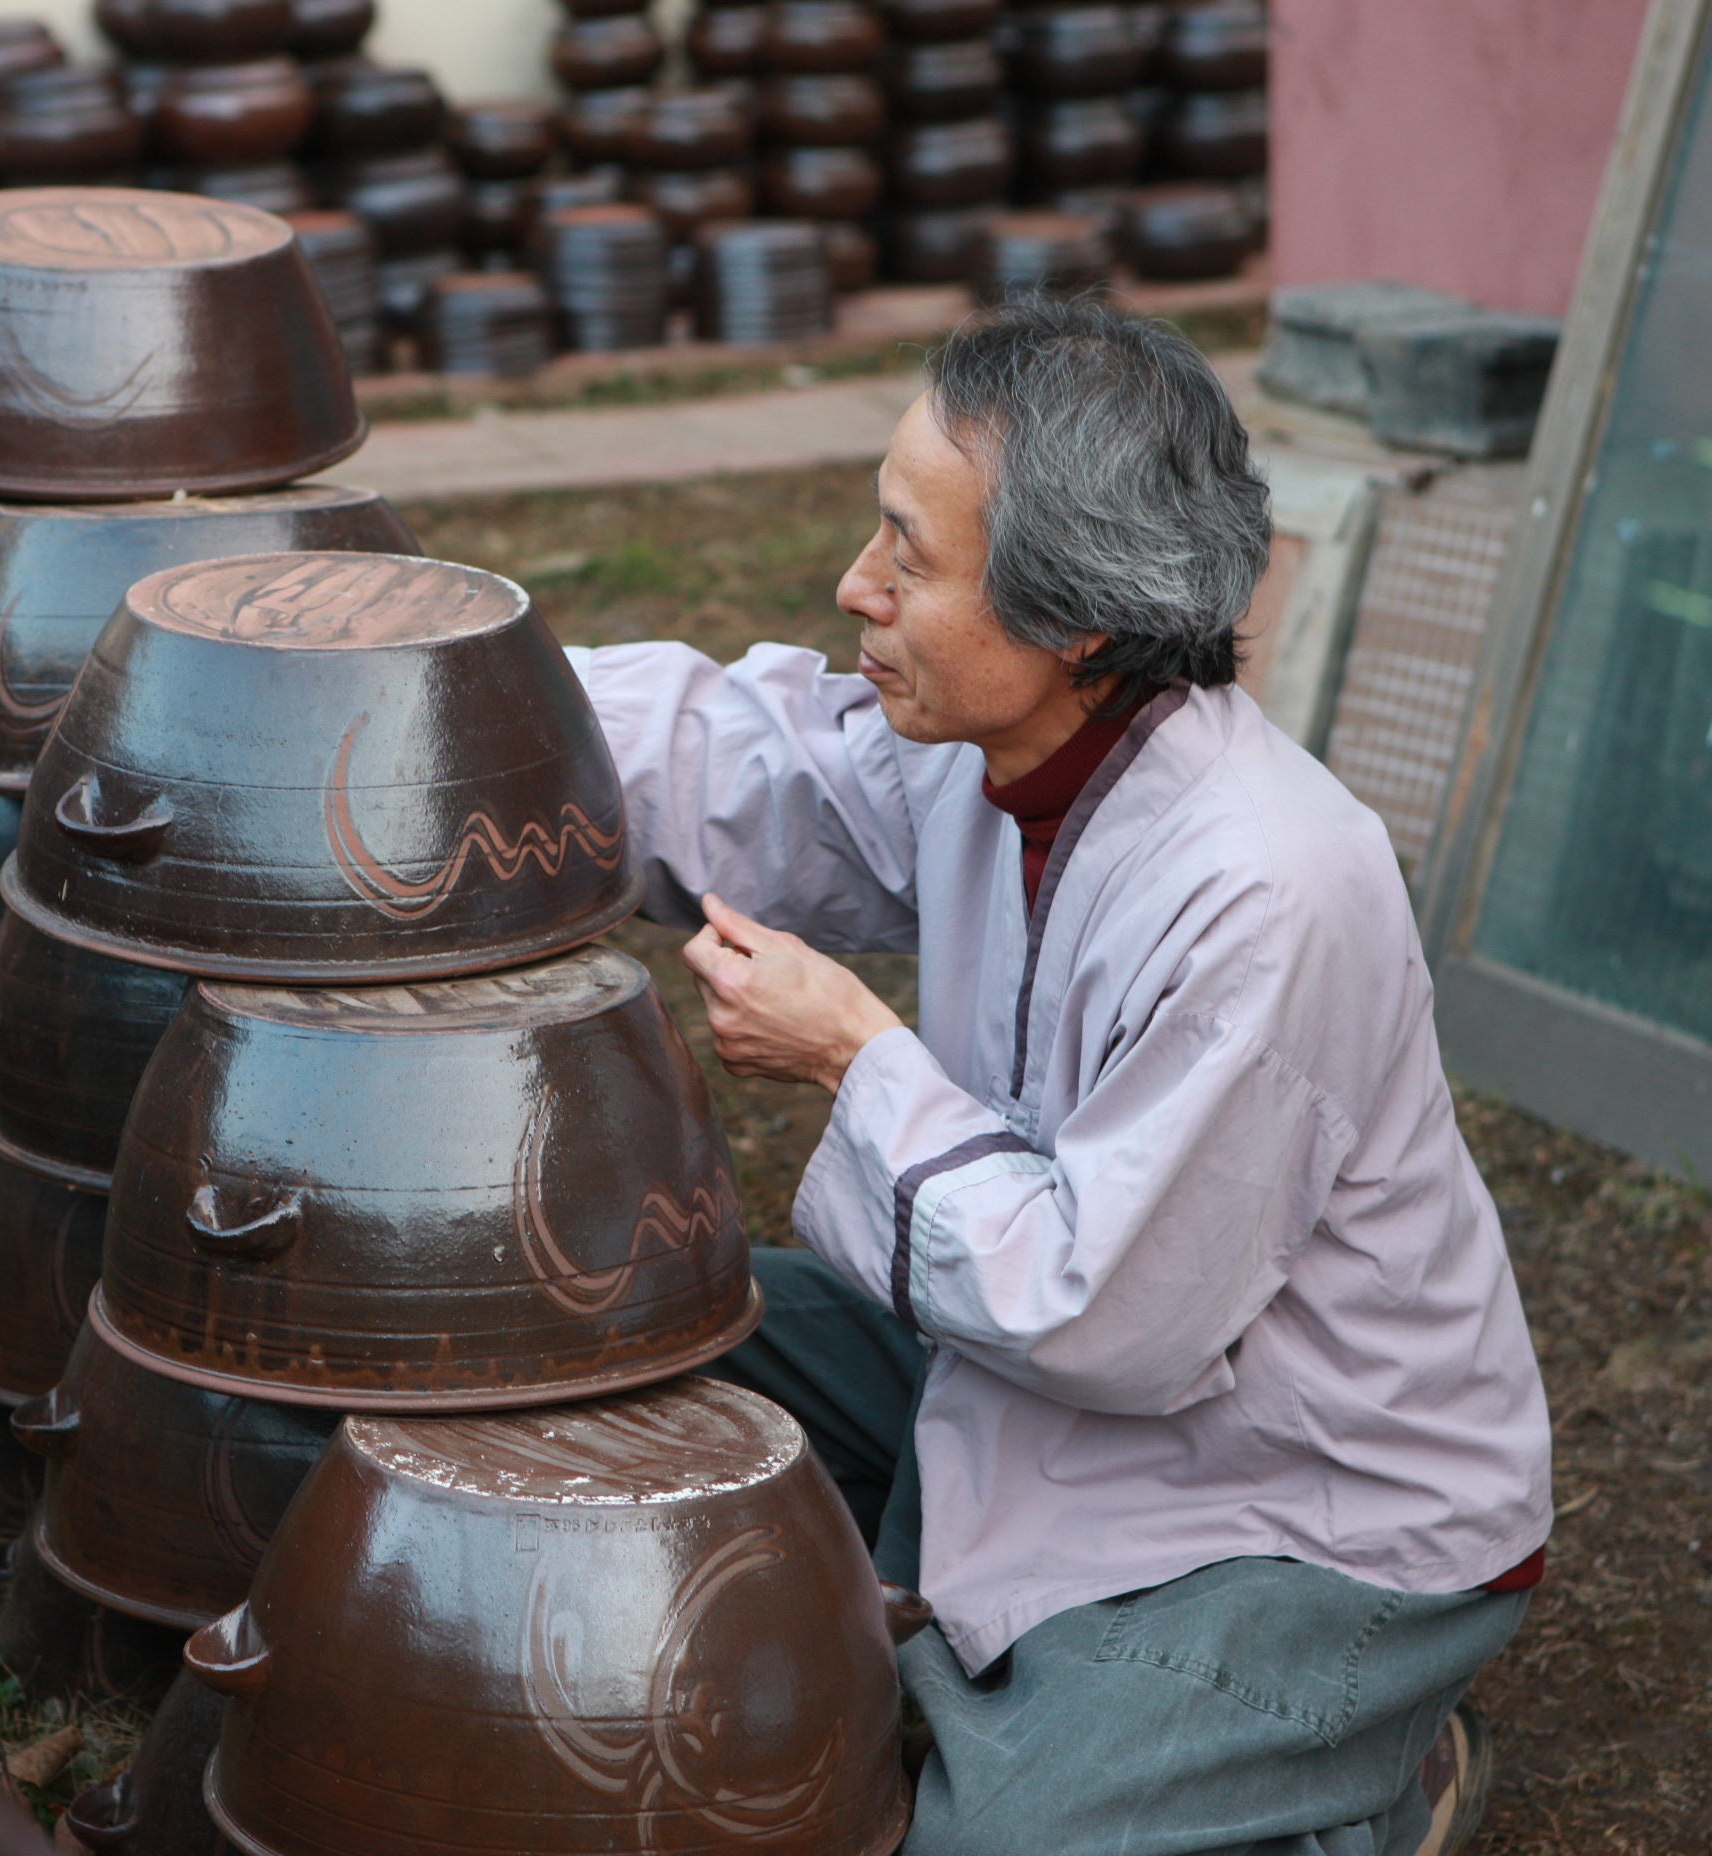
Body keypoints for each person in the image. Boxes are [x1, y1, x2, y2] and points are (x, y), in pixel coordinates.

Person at [566, 298, 1554, 1856]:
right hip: (1049, 1366)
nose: (855, 587)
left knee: (994, 1838)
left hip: (1297, 1498)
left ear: (1074, 618)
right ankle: (1104, 1703)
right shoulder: (992, 749)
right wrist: (467, 684)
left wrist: (854, 1055)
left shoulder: (1267, 888)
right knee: (633, 1332)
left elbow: (1112, 1316)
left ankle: (1354, 1775)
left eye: (910, 555)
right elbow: (750, 763)